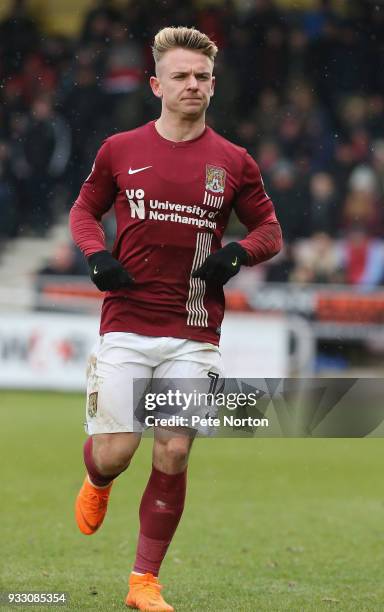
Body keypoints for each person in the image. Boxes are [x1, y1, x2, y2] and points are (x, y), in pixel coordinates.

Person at [69, 26, 282, 611]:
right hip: (127, 324)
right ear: (155, 84)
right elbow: (85, 210)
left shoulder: (233, 162)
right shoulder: (119, 149)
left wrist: (238, 252)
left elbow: (270, 230)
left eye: (203, 77)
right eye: (182, 76)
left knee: (174, 451)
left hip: (194, 331)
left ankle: (144, 582)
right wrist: (96, 256)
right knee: (116, 452)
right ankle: (97, 479)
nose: (193, 85)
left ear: (214, 86)